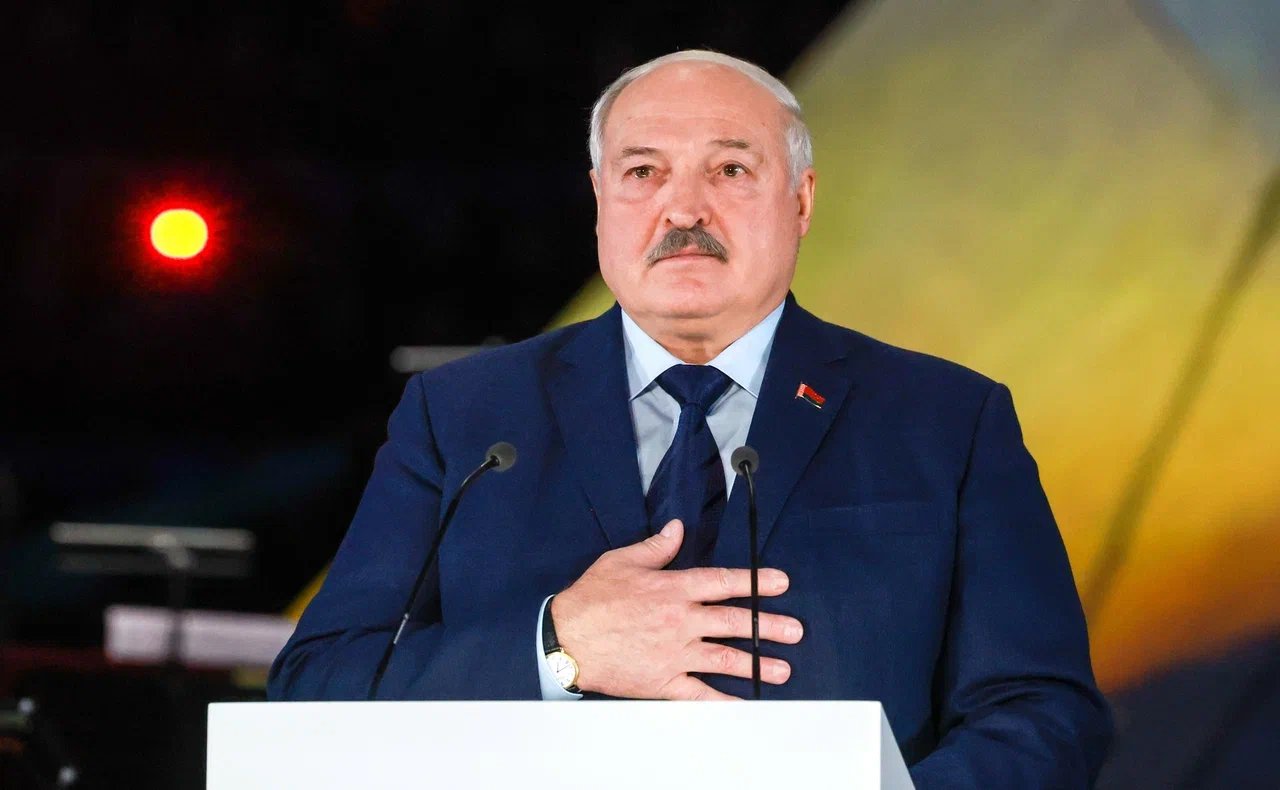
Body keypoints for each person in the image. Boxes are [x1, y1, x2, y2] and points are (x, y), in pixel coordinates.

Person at [269, 50, 1112, 787]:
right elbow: (317, 688)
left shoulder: (949, 421)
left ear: (802, 201)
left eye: (730, 170)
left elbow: (1042, 713)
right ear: (599, 200)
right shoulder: (462, 416)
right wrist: (558, 647)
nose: (683, 211)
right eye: (643, 173)